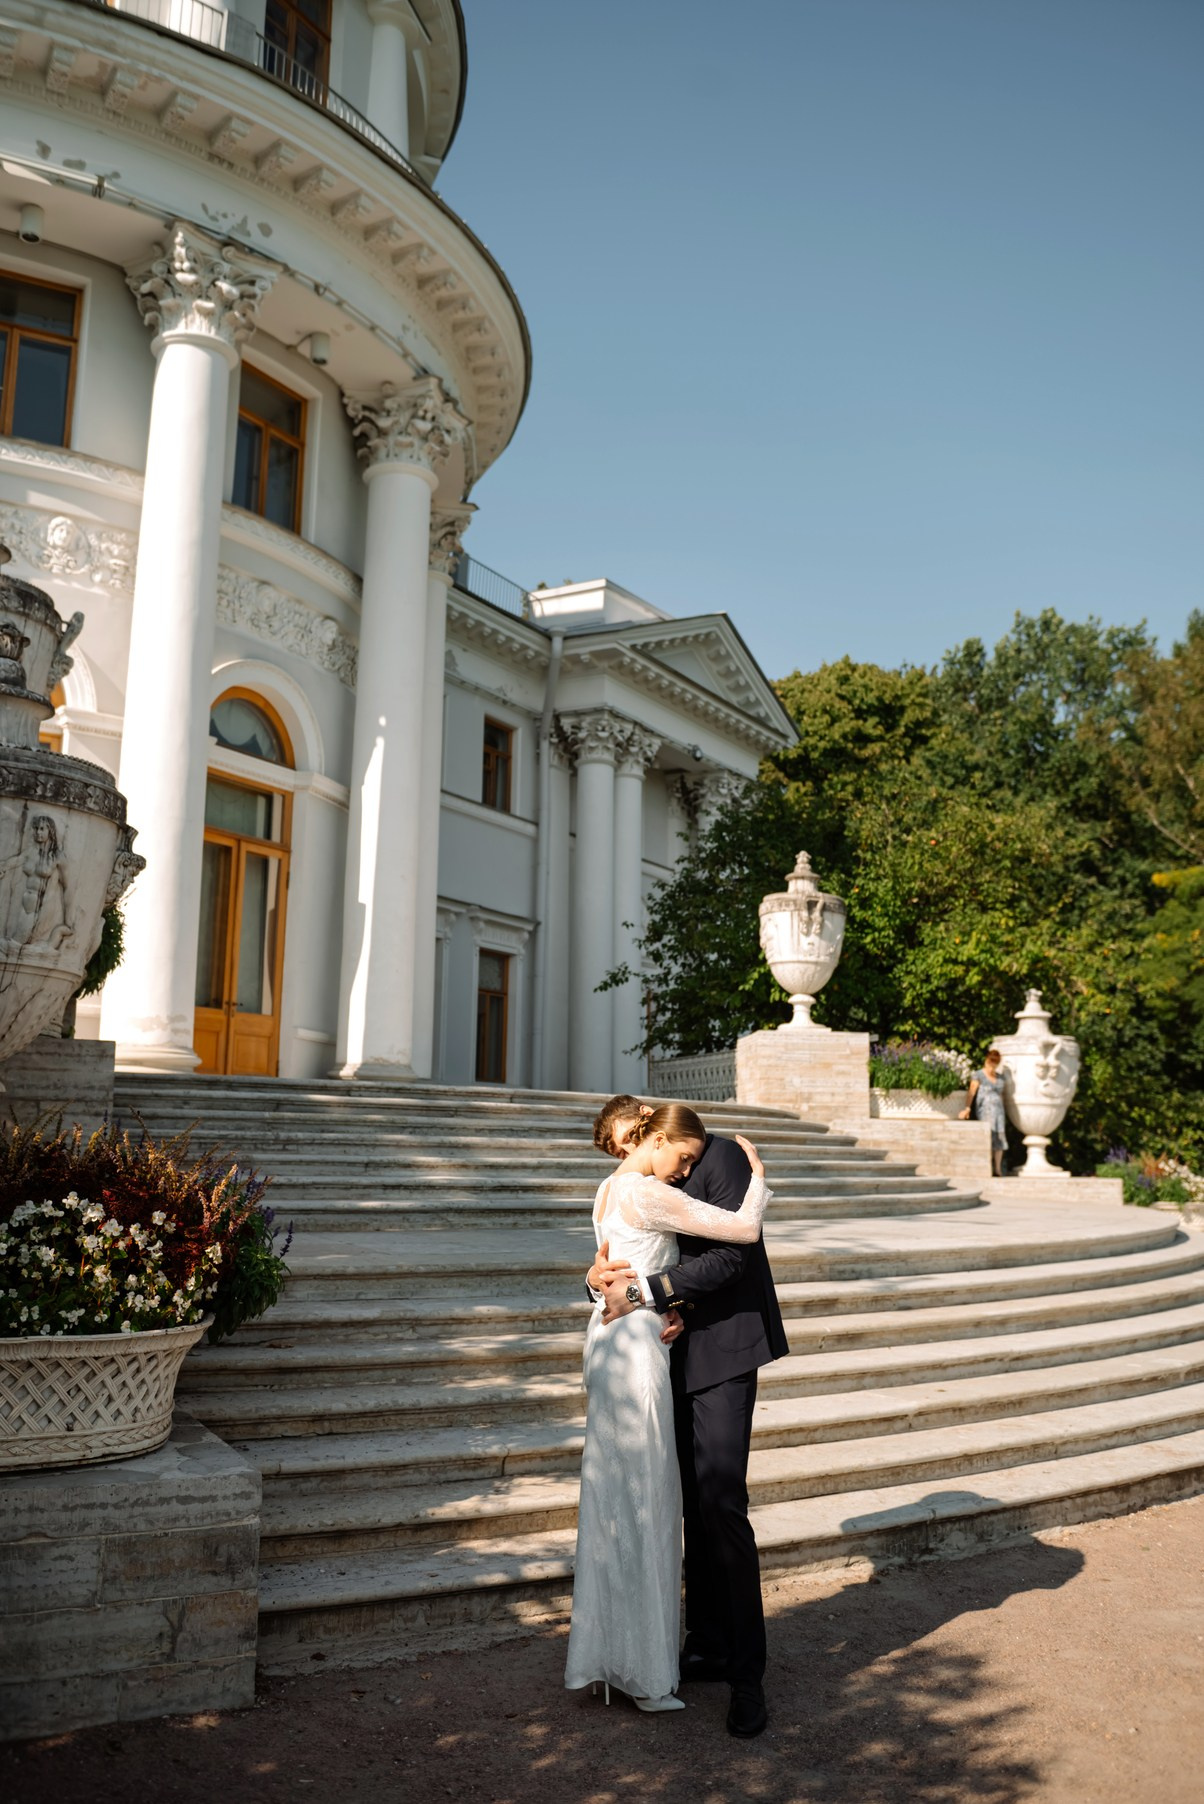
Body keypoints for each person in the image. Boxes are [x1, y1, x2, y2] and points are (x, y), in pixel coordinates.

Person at [583, 1094, 789, 1739]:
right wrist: (597, 1280)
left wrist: (648, 1292)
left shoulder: (719, 1156)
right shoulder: (634, 1181)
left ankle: (747, 1678)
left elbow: (733, 1256)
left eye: (628, 1141)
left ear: (650, 1126)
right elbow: (619, 1255)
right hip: (655, 1352)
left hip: (723, 1350)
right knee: (679, 1503)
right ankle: (702, 1643)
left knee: (722, 1502)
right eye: (616, 1150)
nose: (625, 1156)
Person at [960, 1047, 1008, 1176]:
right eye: (990, 1062)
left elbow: (1002, 1095)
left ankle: (997, 1168)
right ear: (987, 1060)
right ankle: (986, 1166)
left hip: (999, 1112)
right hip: (985, 1110)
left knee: (999, 1138)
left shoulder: (1001, 1078)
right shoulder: (979, 1075)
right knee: (988, 1137)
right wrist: (967, 1108)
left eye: (995, 1063)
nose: (992, 1065)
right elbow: (972, 1092)